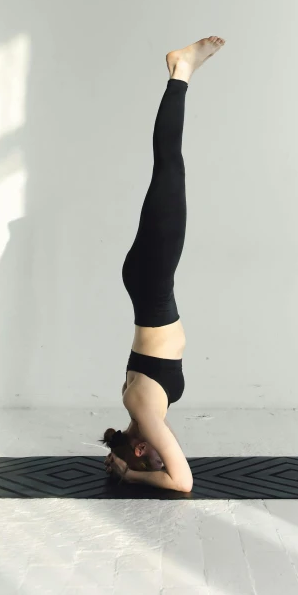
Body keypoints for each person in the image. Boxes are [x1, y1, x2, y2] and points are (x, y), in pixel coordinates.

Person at [101, 36, 226, 492]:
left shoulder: (144, 412)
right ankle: (180, 74)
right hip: (150, 283)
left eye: (152, 457)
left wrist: (134, 475)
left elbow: (184, 482)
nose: (164, 451)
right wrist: (131, 466)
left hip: (153, 285)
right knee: (169, 169)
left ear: (139, 449)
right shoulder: (139, 409)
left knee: (168, 167)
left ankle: (180, 71)